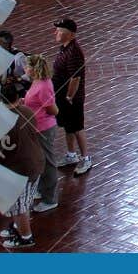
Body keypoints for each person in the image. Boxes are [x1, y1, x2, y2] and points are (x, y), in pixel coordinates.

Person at [0, 84, 46, 249]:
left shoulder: (2, 123)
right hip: (36, 163)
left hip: (21, 171)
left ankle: (26, 238)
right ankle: (17, 227)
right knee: (23, 203)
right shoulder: (27, 111)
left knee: (20, 207)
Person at [22, 54, 64, 212]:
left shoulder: (43, 86)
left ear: (33, 69)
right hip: (36, 127)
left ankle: (50, 198)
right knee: (40, 160)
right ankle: (42, 189)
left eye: (26, 66)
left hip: (44, 128)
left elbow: (52, 109)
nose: (24, 69)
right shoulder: (37, 82)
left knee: (48, 162)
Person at [52, 18, 91, 176]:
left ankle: (85, 158)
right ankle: (71, 155)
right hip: (62, 95)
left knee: (76, 128)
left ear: (71, 35)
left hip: (71, 98)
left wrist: (69, 96)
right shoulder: (65, 48)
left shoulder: (74, 52)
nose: (56, 33)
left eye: (60, 31)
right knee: (68, 126)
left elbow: (75, 78)